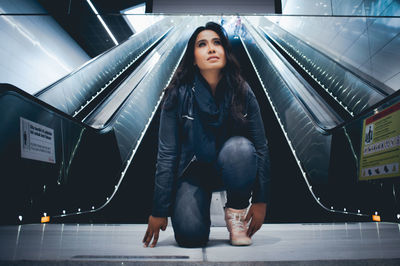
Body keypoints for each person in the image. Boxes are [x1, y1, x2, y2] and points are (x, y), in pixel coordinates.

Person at [143, 22, 270, 248]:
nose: (211, 49)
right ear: (193, 58)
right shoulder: (177, 96)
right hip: (193, 172)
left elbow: (260, 146)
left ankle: (235, 215)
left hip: (231, 166)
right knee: (190, 237)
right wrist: (158, 210)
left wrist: (260, 200)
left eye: (217, 43)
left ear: (225, 52)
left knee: (241, 148)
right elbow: (167, 155)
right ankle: (198, 215)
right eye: (202, 45)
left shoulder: (242, 90)